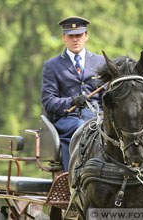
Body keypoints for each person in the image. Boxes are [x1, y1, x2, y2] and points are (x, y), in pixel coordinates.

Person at [41, 16, 106, 172]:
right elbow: (48, 101)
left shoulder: (101, 62)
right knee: (83, 128)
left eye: (79, 35)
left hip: (97, 117)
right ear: (64, 37)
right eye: (71, 36)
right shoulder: (52, 66)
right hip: (67, 119)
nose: (75, 39)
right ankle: (75, 177)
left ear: (86, 36)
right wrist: (72, 101)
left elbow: (107, 97)